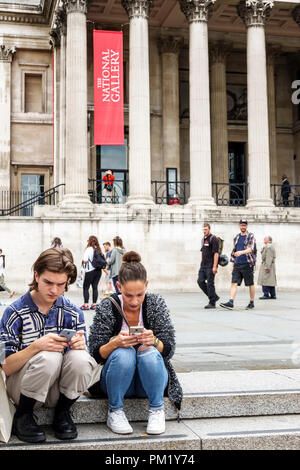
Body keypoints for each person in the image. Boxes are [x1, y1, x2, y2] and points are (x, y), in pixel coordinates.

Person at [0, 248, 99, 443]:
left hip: (58, 391)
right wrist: (36, 347)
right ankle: (23, 416)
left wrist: (80, 347)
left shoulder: (73, 312)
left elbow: (80, 365)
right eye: (48, 282)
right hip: (22, 390)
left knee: (82, 359)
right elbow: (6, 366)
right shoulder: (13, 312)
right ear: (36, 275)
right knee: (48, 355)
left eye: (61, 284)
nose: (54, 290)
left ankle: (62, 413)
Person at [88, 251, 182, 436]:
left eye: (140, 294)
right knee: (124, 352)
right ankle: (115, 411)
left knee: (148, 350)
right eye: (128, 295)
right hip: (117, 380)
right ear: (118, 286)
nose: (134, 301)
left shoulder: (155, 303)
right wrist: (115, 343)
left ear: (147, 285)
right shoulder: (108, 306)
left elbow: (169, 349)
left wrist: (154, 341)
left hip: (151, 379)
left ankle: (156, 410)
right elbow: (95, 353)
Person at [220, 219, 256, 310]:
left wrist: (241, 252)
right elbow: (234, 251)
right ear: (239, 226)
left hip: (247, 263)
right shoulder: (236, 237)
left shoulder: (250, 236)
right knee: (234, 283)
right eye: (241, 225)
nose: (243, 227)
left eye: (244, 225)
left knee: (250, 284)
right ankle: (231, 302)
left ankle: (251, 302)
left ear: (246, 226)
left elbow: (251, 249)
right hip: (237, 264)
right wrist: (233, 264)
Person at [197, 223, 220, 309]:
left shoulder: (213, 239)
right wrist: (201, 263)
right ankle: (214, 296)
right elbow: (203, 252)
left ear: (209, 229)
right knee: (200, 281)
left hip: (211, 265)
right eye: (203, 229)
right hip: (203, 266)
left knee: (210, 283)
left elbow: (216, 253)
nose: (204, 231)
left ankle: (212, 302)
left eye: (206, 229)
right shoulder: (203, 239)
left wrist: (215, 266)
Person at [81, 235, 104, 310]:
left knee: (86, 287)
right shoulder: (99, 249)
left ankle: (86, 304)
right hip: (98, 271)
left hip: (90, 271)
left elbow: (85, 260)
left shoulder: (88, 249)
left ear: (89, 241)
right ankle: (94, 304)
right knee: (95, 287)